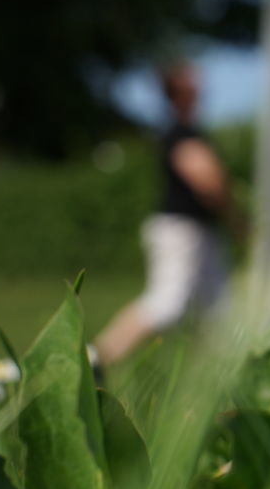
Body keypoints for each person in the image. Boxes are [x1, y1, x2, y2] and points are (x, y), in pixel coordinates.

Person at [92, 62, 242, 367]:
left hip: (202, 232)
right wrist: (237, 218)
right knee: (168, 304)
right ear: (179, 90)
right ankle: (96, 359)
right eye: (191, 79)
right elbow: (208, 180)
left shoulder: (188, 132)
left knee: (217, 309)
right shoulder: (180, 133)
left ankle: (220, 381)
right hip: (181, 231)